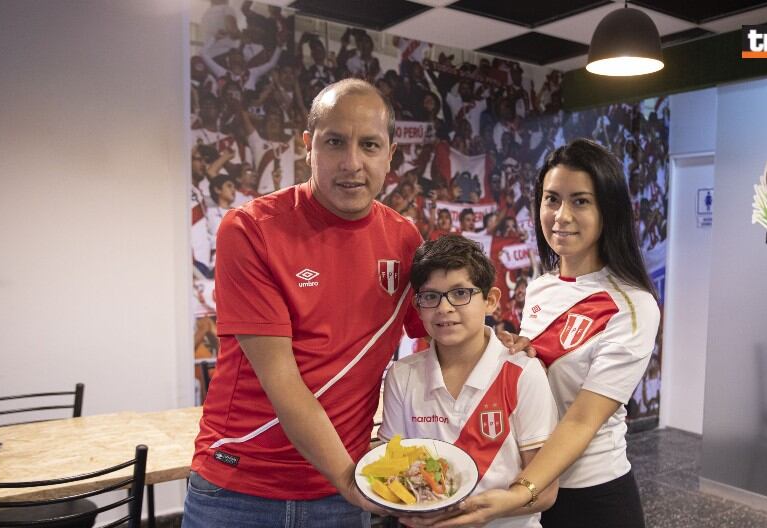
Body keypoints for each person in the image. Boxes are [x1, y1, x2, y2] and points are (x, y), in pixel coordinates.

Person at [182, 78, 427, 528]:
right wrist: (353, 482)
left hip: (342, 491)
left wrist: (503, 346)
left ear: (390, 155)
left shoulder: (404, 240)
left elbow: (440, 340)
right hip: (239, 489)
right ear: (308, 146)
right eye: (335, 142)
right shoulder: (251, 229)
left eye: (370, 145)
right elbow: (284, 383)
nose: (352, 163)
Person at [406, 139, 660, 528]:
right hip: (530, 486)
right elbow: (534, 382)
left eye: (580, 201)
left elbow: (582, 421)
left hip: (590, 494)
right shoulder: (542, 285)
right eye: (551, 199)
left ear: (608, 209)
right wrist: (518, 349)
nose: (561, 215)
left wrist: (523, 491)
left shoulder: (633, 306)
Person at [378, 235, 559, 527]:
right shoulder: (403, 375)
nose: (444, 308)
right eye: (430, 296)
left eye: (460, 293)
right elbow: (391, 472)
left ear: (490, 300)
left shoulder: (522, 372)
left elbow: (547, 491)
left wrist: (488, 510)